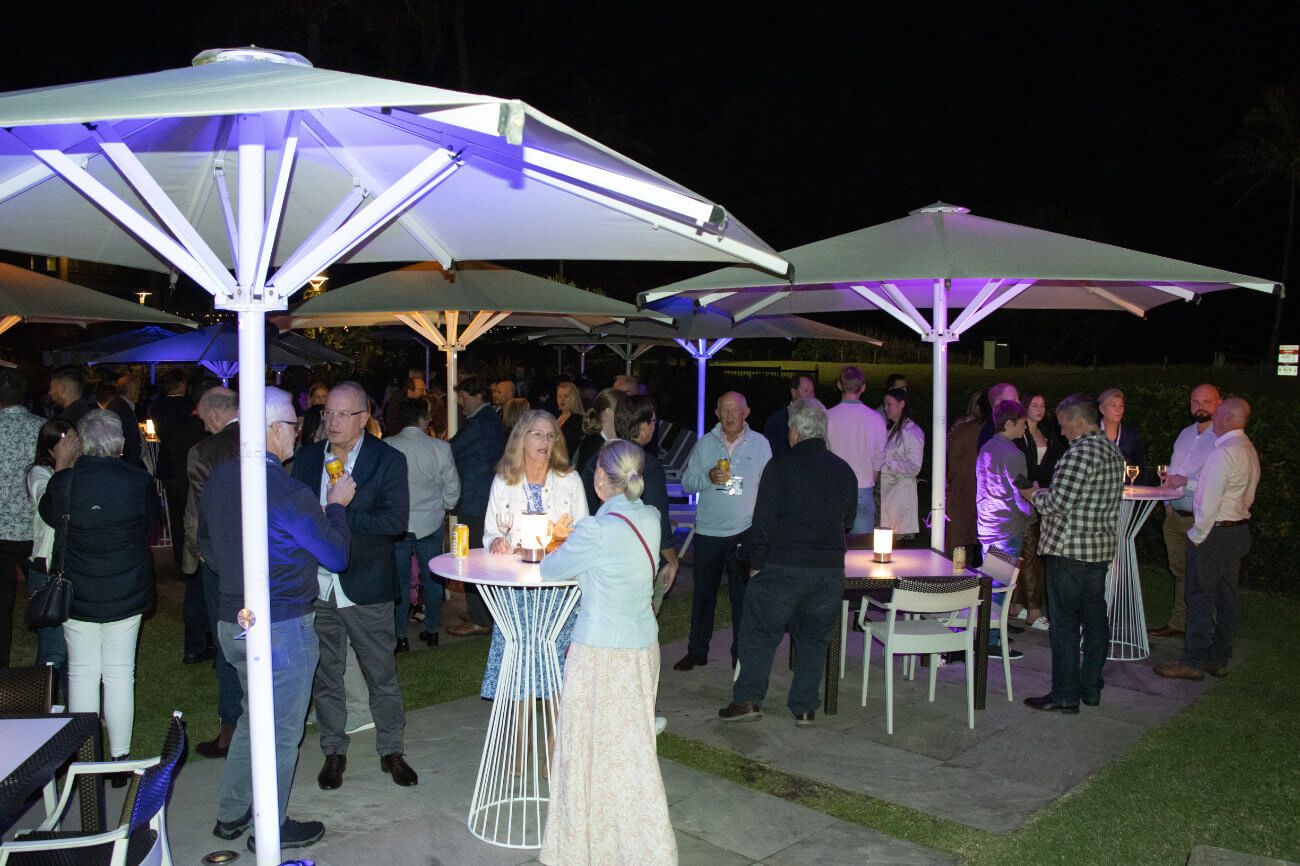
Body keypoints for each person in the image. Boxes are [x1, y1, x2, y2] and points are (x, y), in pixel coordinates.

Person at [202, 387, 353, 853]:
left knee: (254, 720)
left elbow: (207, 550)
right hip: (282, 626)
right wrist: (337, 506)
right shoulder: (286, 490)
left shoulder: (220, 480)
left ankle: (232, 814)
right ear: (272, 429)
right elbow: (336, 554)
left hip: (232, 622)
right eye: (293, 425)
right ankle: (271, 827)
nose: (298, 433)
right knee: (282, 733)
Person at [537, 439, 676, 866]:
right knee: (632, 753)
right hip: (642, 647)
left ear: (600, 477)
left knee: (586, 753)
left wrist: (557, 538)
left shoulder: (594, 530)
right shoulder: (650, 518)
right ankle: (638, 844)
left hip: (600, 654)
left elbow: (549, 568)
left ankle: (585, 846)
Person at [291, 382, 417, 790]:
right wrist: (324, 516)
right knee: (327, 674)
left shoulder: (387, 459)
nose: (332, 421)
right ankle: (333, 750)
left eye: (343, 414)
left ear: (364, 418)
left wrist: (337, 512)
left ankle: (392, 751)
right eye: (327, 412)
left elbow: (395, 522)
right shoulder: (308, 458)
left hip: (367, 586)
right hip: (319, 587)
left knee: (381, 674)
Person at [719, 398, 857, 726]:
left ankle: (748, 699)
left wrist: (756, 564)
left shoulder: (780, 466)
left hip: (783, 567)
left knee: (759, 632)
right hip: (827, 571)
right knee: (813, 639)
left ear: (795, 430)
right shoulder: (844, 470)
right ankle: (805, 707)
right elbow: (849, 520)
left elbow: (763, 523)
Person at [39, 409, 158, 767]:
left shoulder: (65, 482)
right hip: (126, 589)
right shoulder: (138, 480)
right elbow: (151, 526)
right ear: (119, 442)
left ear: (84, 443)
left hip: (78, 592)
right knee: (120, 674)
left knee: (82, 673)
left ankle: (87, 759)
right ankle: (120, 756)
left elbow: (49, 515)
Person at [481, 410, 588, 770]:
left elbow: (584, 532)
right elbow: (491, 531)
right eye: (538, 434)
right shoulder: (504, 480)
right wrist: (496, 542)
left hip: (557, 590)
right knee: (522, 663)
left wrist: (561, 539)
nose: (545, 442)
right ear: (522, 438)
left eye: (551, 435)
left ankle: (556, 744)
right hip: (518, 589)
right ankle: (520, 741)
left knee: (557, 666)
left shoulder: (569, 480)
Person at [1019, 394, 1124, 714]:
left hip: (1068, 552)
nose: (1062, 432)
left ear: (1078, 421)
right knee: (1095, 621)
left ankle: (1065, 695)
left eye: (1064, 425)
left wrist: (1032, 494)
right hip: (1098, 552)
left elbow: (1056, 505)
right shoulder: (1112, 451)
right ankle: (1090, 687)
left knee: (1064, 625)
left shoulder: (1078, 454)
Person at [1154, 398, 1259, 681]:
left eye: (1218, 414)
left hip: (1215, 534)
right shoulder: (1247, 448)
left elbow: (1208, 500)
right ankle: (1219, 657)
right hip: (1237, 531)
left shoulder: (1223, 452)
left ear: (1227, 418)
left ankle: (1193, 662)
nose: (1214, 419)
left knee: (1199, 597)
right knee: (1226, 597)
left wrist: (1197, 536)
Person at [675, 391, 771, 671]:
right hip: (708, 532)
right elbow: (687, 483)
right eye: (724, 411)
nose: (730, 416)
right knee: (703, 596)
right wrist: (707, 478)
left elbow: (769, 487)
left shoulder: (761, 444)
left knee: (743, 599)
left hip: (744, 532)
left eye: (735, 411)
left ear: (746, 413)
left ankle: (740, 653)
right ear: (716, 414)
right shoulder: (705, 443)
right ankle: (697, 651)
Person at [183, 386, 244, 758]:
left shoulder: (203, 452)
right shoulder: (267, 437)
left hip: (222, 560)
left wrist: (199, 555)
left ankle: (231, 728)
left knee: (227, 641)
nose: (205, 426)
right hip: (269, 555)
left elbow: (201, 512)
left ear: (218, 413)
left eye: (205, 419)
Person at [384, 397, 460, 650]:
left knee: (400, 582)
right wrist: (444, 505)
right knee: (432, 580)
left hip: (398, 524)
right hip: (430, 521)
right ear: (422, 419)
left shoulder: (388, 445)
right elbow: (453, 489)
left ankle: (400, 636)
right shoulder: (440, 448)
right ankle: (432, 631)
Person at [1150, 384, 1222, 638]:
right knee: (1180, 571)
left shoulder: (1221, 438)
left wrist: (1186, 483)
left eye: (1207, 401)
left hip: (1201, 518)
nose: (1200, 407)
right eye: (1195, 402)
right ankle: (1179, 622)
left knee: (1203, 576)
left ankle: (1207, 629)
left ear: (1219, 403)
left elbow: (1218, 481)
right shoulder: (1184, 434)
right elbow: (1171, 472)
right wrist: (1167, 505)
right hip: (1176, 517)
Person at [447, 375, 507, 637]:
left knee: (472, 559)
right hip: (482, 499)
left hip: (476, 501)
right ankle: (480, 612)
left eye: (463, 397)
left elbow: (451, 449)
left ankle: (480, 618)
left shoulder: (480, 423)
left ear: (478, 396)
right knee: (478, 558)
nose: (460, 403)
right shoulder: (487, 419)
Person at [25, 419, 80, 699]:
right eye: (67, 442)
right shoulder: (39, 473)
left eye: (75, 440)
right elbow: (49, 510)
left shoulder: (81, 472)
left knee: (76, 652)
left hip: (75, 567)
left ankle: (78, 712)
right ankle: (41, 709)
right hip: (47, 570)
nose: (74, 446)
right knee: (54, 651)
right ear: (51, 448)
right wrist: (62, 464)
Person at [614, 394, 679, 607]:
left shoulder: (600, 459)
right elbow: (657, 517)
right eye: (652, 421)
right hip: (638, 563)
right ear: (643, 426)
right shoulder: (647, 465)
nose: (654, 427)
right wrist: (672, 560)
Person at [0, 367, 44, 667]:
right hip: (35, 528)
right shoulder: (42, 427)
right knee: (43, 597)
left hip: (1, 529)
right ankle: (49, 657)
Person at [1011, 393, 1065, 630]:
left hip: (1043, 495)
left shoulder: (1047, 434)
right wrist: (1030, 489)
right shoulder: (1019, 436)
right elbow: (1018, 470)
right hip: (1024, 498)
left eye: (1043, 405)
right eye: (1035, 405)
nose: (1040, 409)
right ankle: (1032, 609)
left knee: (1030, 552)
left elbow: (1052, 464)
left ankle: (1017, 605)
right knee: (1028, 552)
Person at [826, 365, 886, 534]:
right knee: (862, 547)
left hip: (834, 489)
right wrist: (870, 479)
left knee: (833, 544)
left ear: (839, 385)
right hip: (863, 489)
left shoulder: (827, 416)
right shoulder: (876, 418)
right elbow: (879, 456)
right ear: (863, 387)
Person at [976, 400, 1033, 558]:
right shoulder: (1013, 454)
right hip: (1006, 529)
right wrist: (1032, 516)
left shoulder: (986, 448)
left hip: (987, 527)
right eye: (1023, 422)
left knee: (990, 573)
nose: (1025, 427)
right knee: (1000, 575)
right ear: (1009, 424)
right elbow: (1021, 493)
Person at [945, 390, 987, 559]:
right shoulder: (965, 428)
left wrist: (952, 478)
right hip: (974, 489)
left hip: (965, 488)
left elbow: (953, 457)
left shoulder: (966, 430)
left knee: (957, 537)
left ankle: (952, 569)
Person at [880, 387, 925, 539]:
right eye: (885, 405)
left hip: (900, 498)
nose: (885, 408)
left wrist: (886, 465)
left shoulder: (911, 431)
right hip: (889, 496)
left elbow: (914, 467)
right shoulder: (893, 430)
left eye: (889, 404)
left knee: (896, 543)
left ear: (901, 405)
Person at [573, 387, 623, 510]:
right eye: (623, 411)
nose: (627, 416)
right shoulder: (593, 445)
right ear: (609, 412)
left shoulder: (604, 441)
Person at [761, 372, 816, 457]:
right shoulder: (776, 422)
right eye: (805, 391)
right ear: (793, 392)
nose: (810, 396)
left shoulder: (817, 420)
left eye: (812, 392)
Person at [1098, 388, 1145, 482]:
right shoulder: (1090, 434)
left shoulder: (1132, 436)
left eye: (1121, 406)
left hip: (1125, 488)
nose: (1118, 410)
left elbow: (1141, 469)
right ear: (1102, 409)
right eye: (1113, 405)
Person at [977, 382, 1018, 450]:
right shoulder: (992, 432)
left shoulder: (1007, 426)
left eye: (1018, 400)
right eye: (1014, 400)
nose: (1019, 404)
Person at [554, 381, 585, 460]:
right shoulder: (555, 417)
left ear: (573, 399)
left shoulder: (579, 420)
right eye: (559, 396)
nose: (562, 399)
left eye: (566, 396)